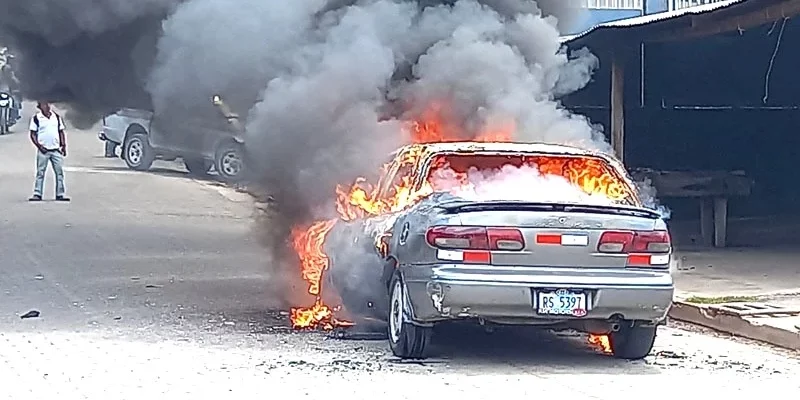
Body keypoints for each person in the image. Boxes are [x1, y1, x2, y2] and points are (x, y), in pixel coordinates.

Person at [29, 101, 69, 202]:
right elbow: (33, 134)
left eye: (48, 104)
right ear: (40, 106)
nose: (47, 106)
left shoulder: (56, 117)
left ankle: (60, 194)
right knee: (40, 173)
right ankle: (37, 194)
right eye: (44, 104)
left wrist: (63, 145)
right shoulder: (37, 118)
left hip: (56, 150)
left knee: (59, 173)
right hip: (43, 150)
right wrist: (39, 146)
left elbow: (61, 131)